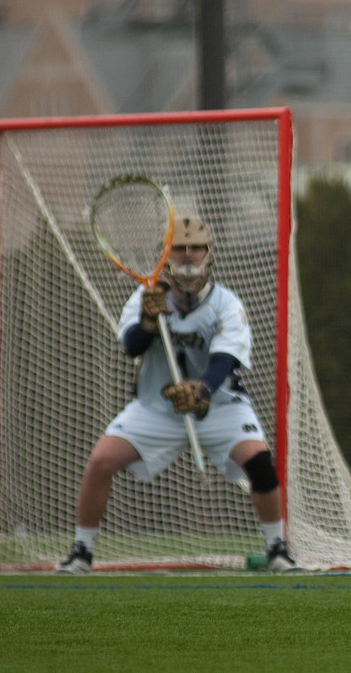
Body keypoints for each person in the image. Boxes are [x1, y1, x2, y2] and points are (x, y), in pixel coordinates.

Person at [56, 216, 302, 574]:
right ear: (165, 254)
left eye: (195, 247)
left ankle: (277, 549)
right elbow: (130, 346)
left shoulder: (226, 303)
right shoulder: (145, 297)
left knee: (260, 462)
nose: (188, 255)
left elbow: (225, 360)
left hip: (219, 406)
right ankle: (82, 552)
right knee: (100, 463)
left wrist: (201, 390)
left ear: (209, 253)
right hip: (156, 407)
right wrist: (148, 323)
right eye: (179, 248)